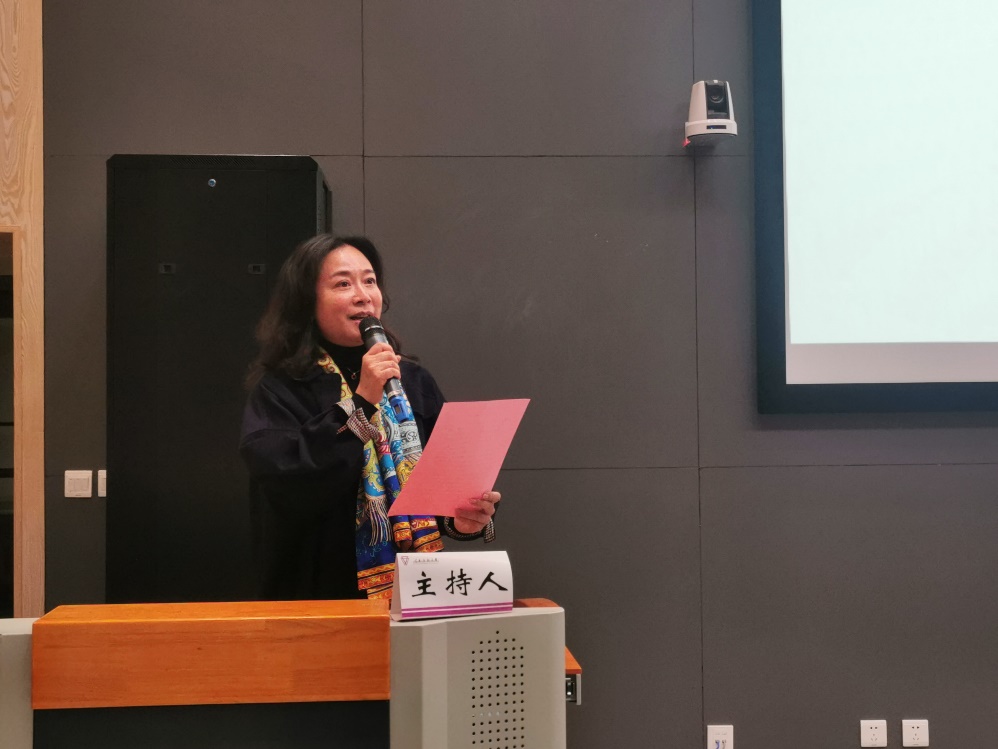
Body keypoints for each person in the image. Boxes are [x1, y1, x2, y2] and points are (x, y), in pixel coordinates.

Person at [240, 234, 499, 600]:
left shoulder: (411, 381)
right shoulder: (281, 387)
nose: (363, 295)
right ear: (307, 301)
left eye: (370, 281)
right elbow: (288, 484)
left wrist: (462, 519)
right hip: (318, 592)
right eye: (343, 284)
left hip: (414, 593)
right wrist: (361, 401)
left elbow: (443, 489)